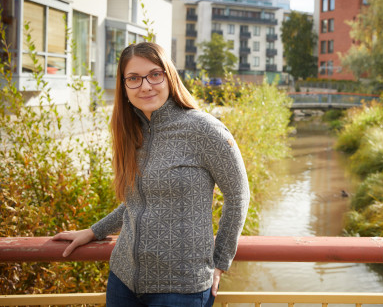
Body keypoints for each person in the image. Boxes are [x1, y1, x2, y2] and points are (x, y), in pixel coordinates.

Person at [53, 42, 250, 307]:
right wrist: (93, 231)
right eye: (133, 78)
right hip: (123, 282)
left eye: (154, 74)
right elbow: (137, 202)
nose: (145, 85)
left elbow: (238, 196)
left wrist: (220, 263)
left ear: (169, 76)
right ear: (124, 86)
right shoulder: (130, 133)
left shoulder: (204, 130)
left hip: (181, 289)